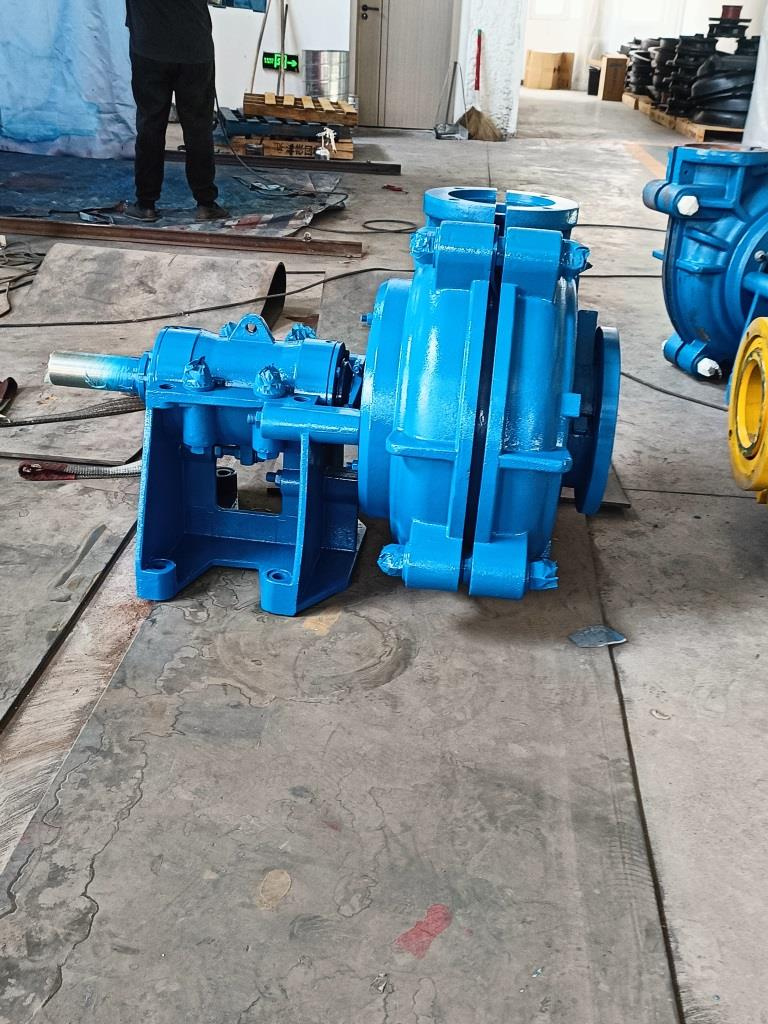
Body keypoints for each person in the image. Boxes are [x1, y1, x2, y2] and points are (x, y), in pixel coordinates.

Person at [124, 0, 229, 222]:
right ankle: (206, 204)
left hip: (150, 47)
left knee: (150, 125)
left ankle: (146, 204)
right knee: (198, 128)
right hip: (194, 48)